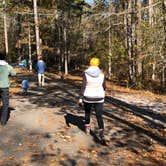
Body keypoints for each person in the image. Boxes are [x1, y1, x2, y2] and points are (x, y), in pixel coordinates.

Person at [79, 57, 106, 141]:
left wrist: (80, 98)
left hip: (88, 97)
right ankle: (101, 131)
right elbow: (104, 87)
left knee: (87, 113)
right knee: (99, 115)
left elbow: (83, 86)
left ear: (90, 64)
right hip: (99, 97)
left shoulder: (86, 73)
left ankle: (87, 128)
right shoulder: (102, 74)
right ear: (98, 64)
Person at [0, 52, 16, 125]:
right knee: (5, 104)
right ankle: (3, 121)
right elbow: (14, 73)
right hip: (4, 87)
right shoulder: (8, 66)